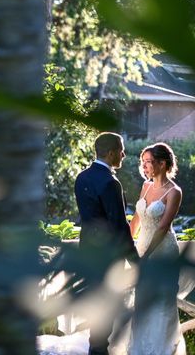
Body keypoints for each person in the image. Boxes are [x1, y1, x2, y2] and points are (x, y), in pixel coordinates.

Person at [73, 132, 138, 355]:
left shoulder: (82, 177)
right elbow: (119, 226)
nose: (124, 154)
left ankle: (96, 350)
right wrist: (135, 260)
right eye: (121, 150)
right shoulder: (111, 182)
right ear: (111, 153)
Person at [127, 142, 186, 354]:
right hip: (142, 247)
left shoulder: (174, 192)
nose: (144, 167)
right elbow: (136, 219)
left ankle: (161, 350)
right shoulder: (145, 186)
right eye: (142, 163)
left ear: (163, 163)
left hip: (162, 252)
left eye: (148, 162)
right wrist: (127, 243)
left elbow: (162, 228)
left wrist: (146, 257)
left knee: (161, 303)